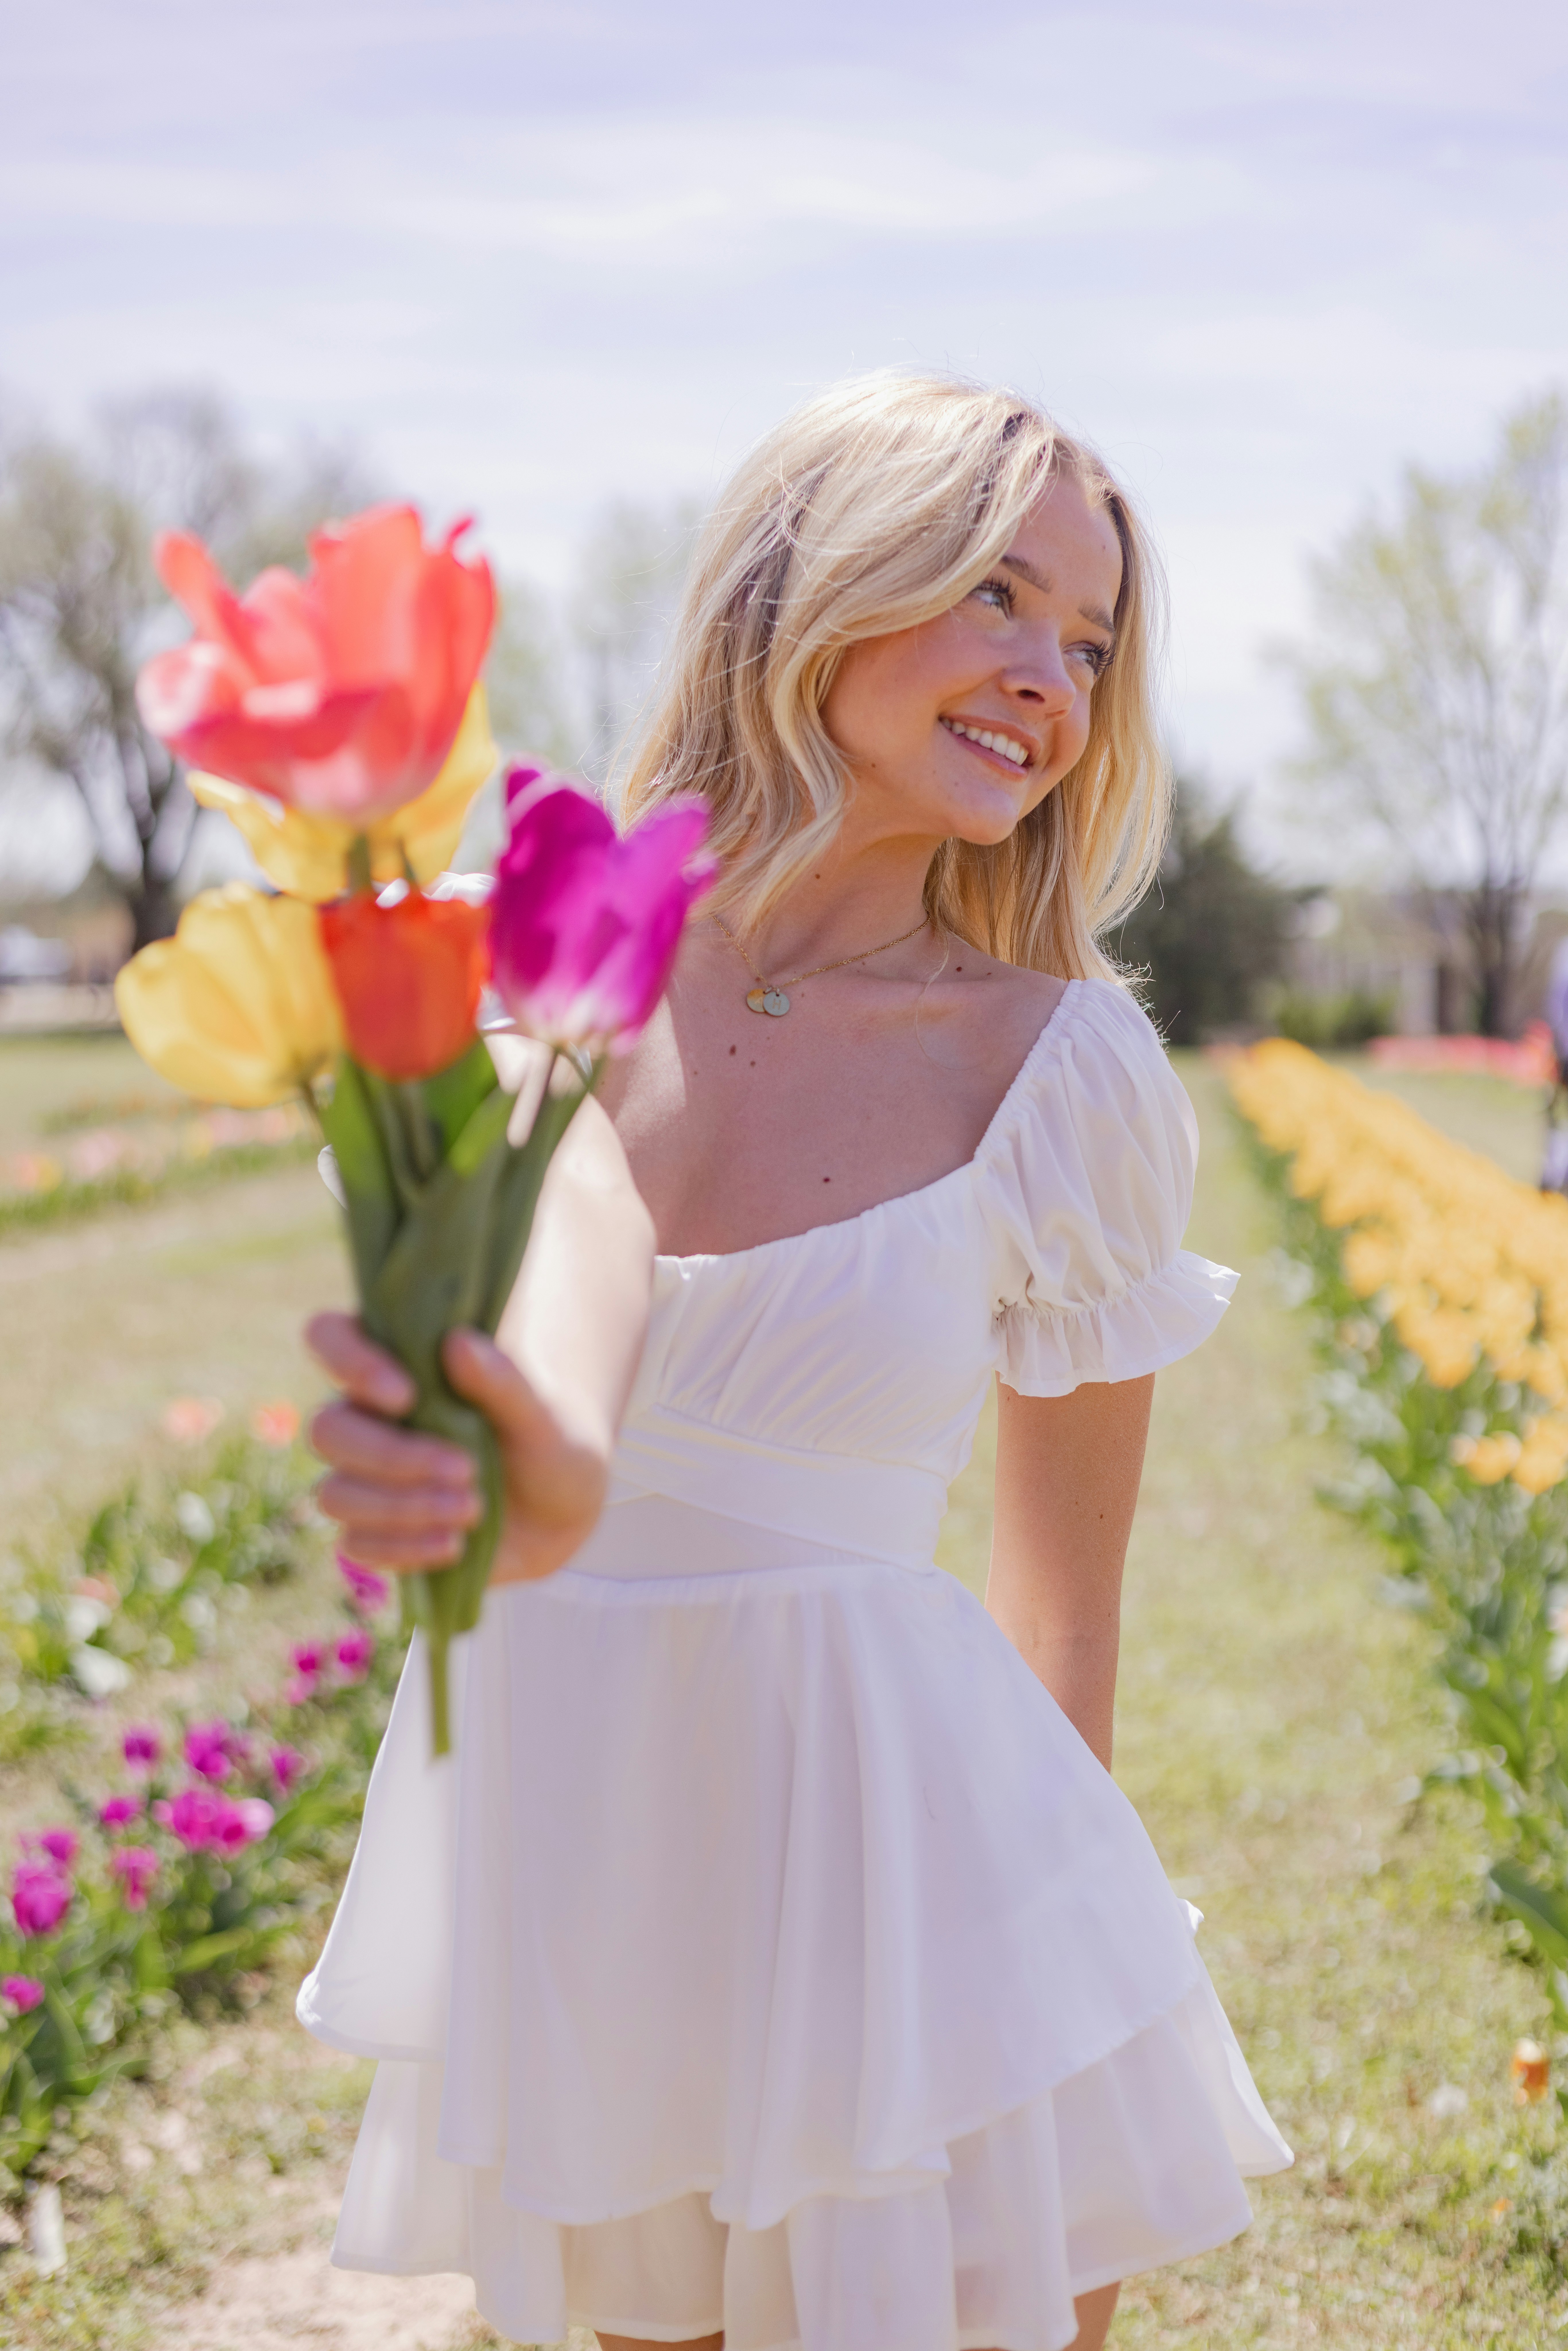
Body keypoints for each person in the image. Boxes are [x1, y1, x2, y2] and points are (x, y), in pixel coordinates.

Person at [299, 373, 1292, 2351]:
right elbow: (569, 1302)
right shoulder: (561, 973)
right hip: (592, 1856)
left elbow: (1059, 1608)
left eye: (1089, 642)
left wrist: (1019, 2014)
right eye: (998, 597)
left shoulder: (1059, 1068)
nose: (1052, 679)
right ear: (818, 588)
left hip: (900, 1881)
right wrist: (525, 1468)